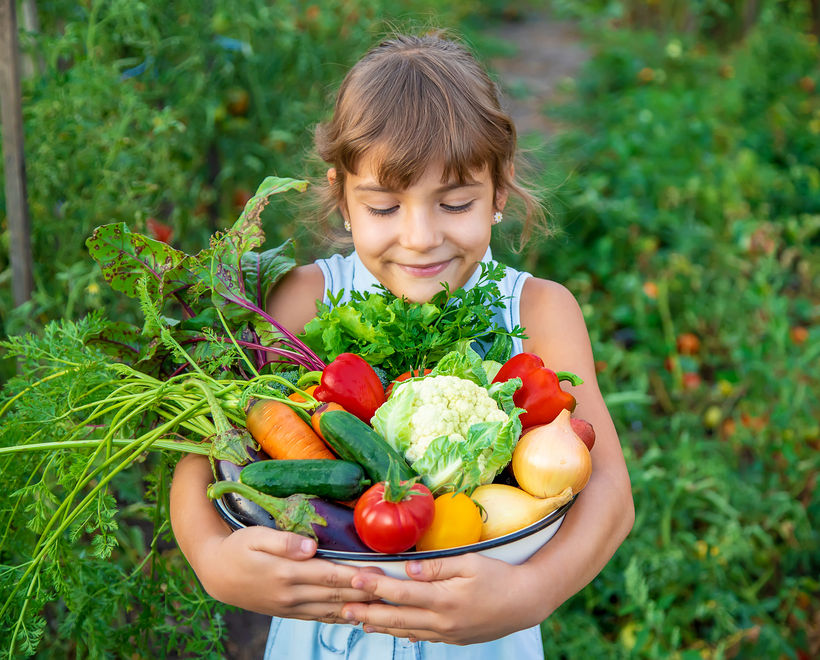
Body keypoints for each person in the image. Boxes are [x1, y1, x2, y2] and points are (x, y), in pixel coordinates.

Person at [169, 31, 634, 659]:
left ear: (499, 190)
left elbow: (610, 495)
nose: (419, 238)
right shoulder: (300, 301)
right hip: (324, 637)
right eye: (385, 208)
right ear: (343, 197)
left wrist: (531, 593)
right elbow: (202, 457)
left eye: (456, 203)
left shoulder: (538, 311)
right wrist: (212, 558)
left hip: (481, 636)